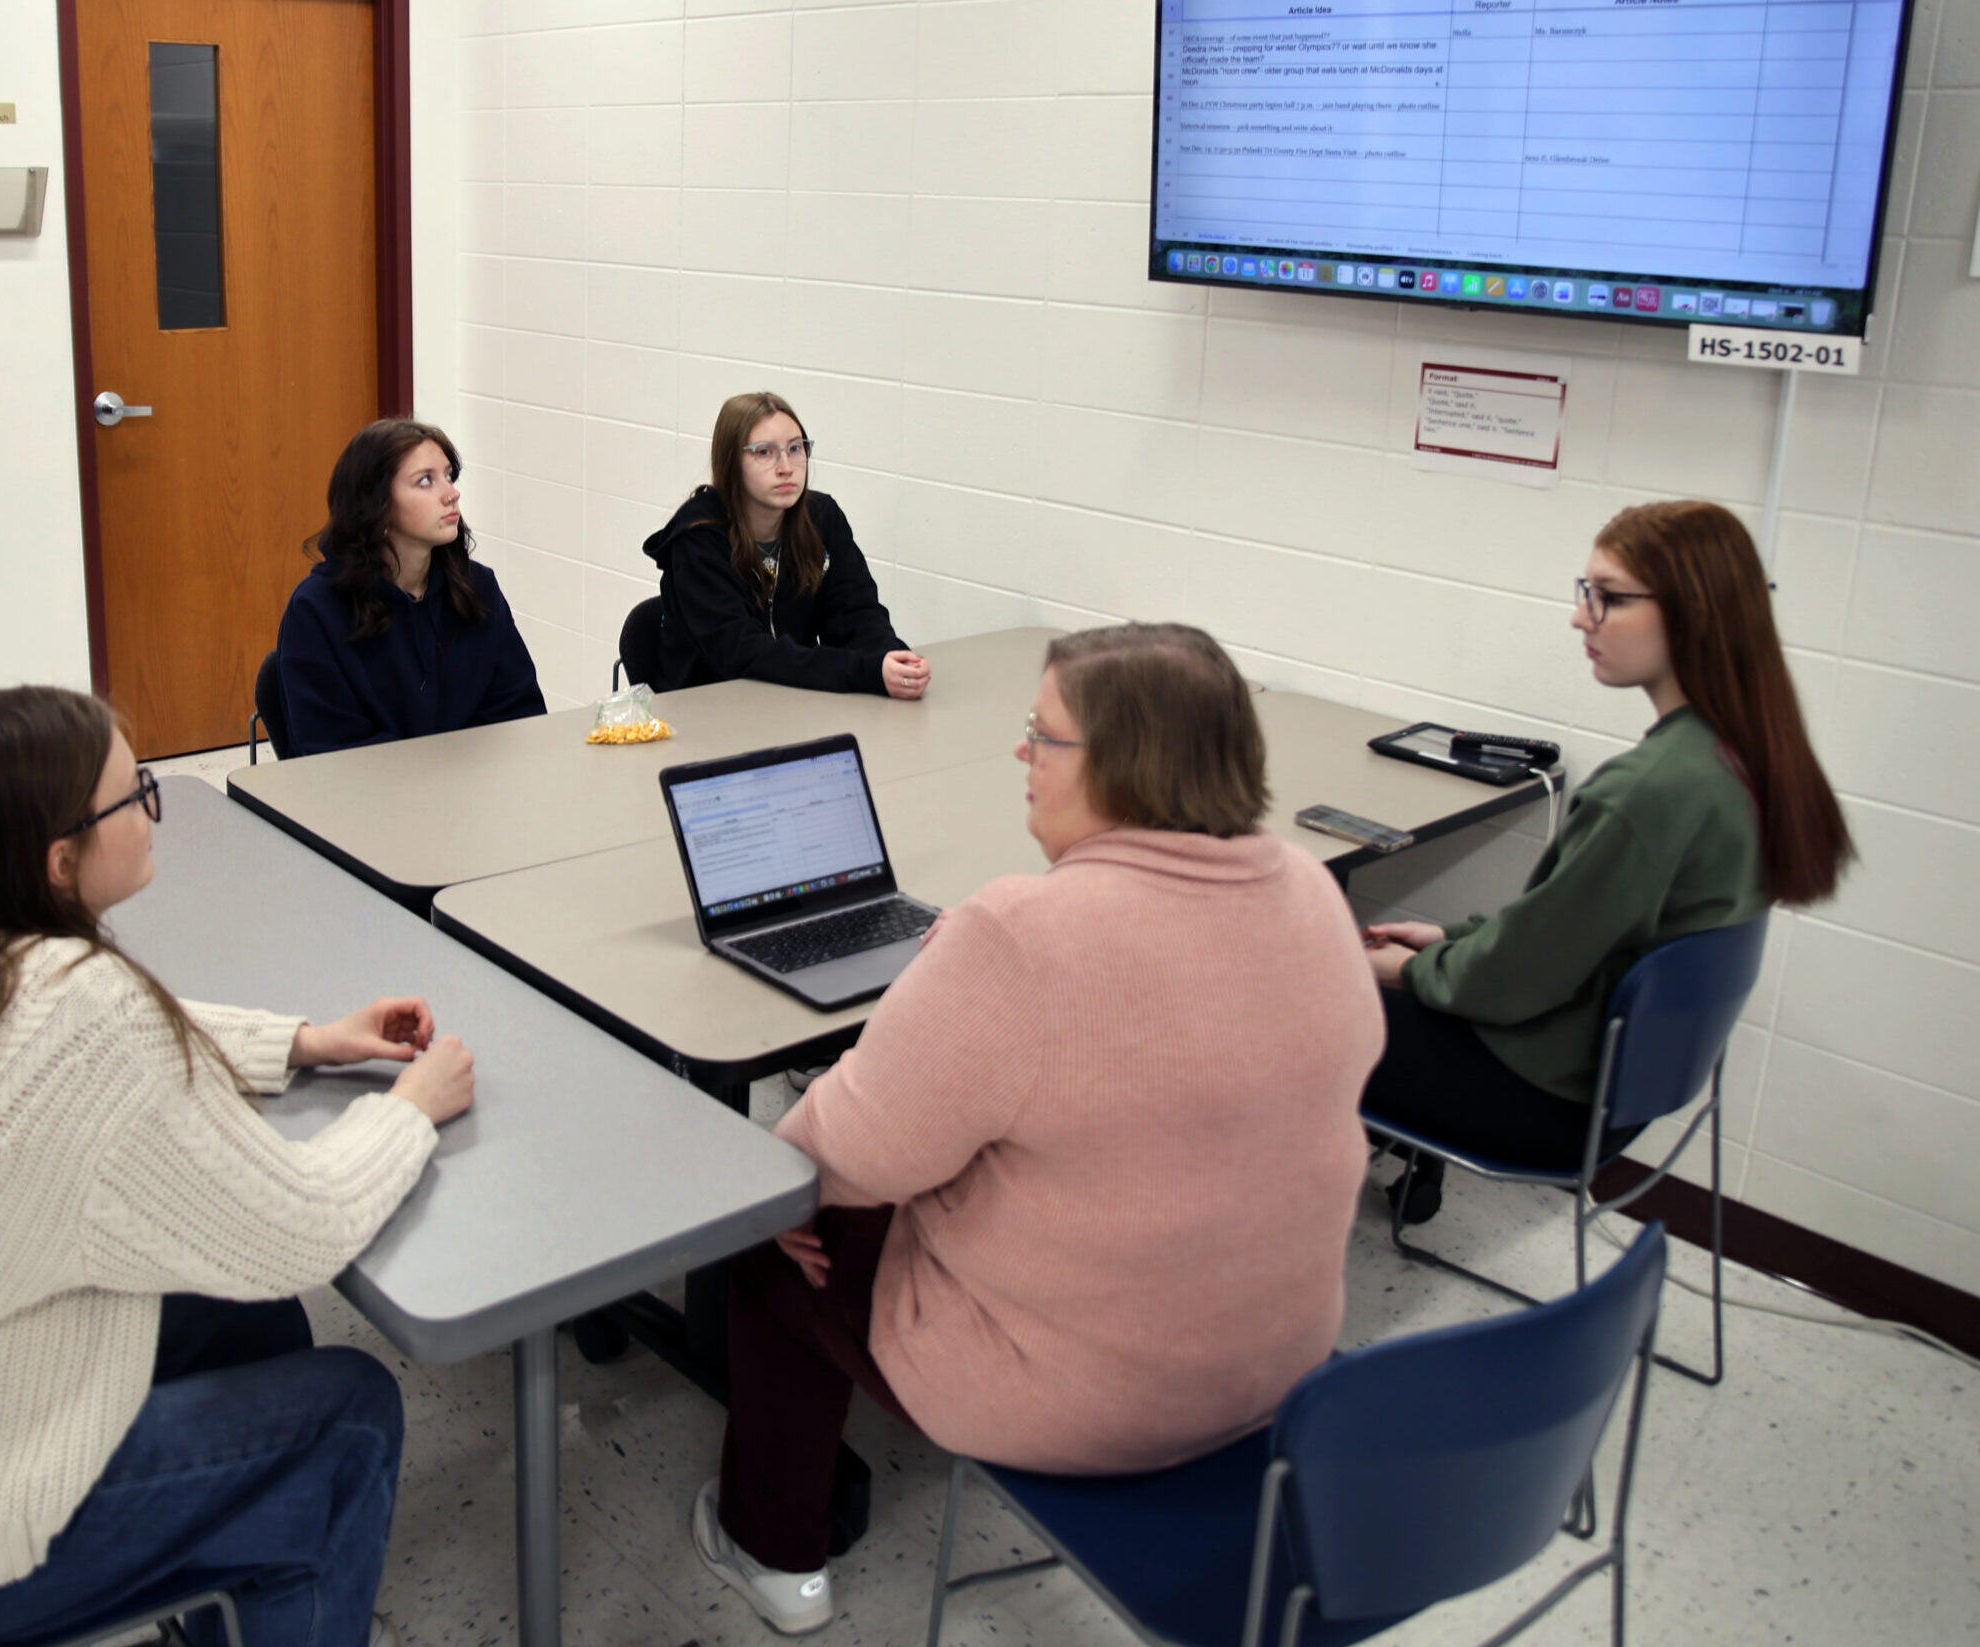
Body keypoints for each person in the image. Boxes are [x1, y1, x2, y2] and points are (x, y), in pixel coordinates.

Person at [0, 685, 474, 1647]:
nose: (152, 806)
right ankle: (277, 1561)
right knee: (351, 1415)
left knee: (242, 1320)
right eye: (132, 792)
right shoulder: (82, 1011)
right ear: (60, 863)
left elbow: (98, 1063)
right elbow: (301, 1223)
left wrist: (306, 1041)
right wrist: (409, 1111)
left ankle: (239, 1581)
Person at [691, 624, 1383, 1635]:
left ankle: (774, 1552)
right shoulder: (1313, 892)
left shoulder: (1018, 938)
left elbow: (825, 1154)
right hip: (1280, 1369)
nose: (1022, 756)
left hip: (1091, 1407)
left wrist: (949, 987)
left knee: (764, 1232)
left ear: (1122, 766)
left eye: (1042, 737)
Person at [1363, 499, 1853, 1224]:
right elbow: (1573, 928)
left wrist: (1402, 969)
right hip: (1620, 1093)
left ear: (1696, 613)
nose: (1581, 617)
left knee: (1288, 1000)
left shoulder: (1649, 790)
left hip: (1541, 1097)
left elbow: (1515, 979)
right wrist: (1451, 940)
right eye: (1586, 591)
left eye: (1611, 597)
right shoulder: (1744, 753)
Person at [277, 418, 546, 756]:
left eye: (448, 476)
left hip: (474, 794)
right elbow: (329, 750)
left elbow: (521, 715)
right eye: (424, 481)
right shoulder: (317, 610)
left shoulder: (477, 588)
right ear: (376, 503)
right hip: (366, 800)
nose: (451, 494)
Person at [642, 390, 929, 699]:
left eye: (795, 448)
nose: (786, 467)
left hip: (792, 701)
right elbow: (740, 654)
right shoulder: (698, 536)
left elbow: (856, 613)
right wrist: (865, 671)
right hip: (705, 711)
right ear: (731, 463)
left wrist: (893, 658)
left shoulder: (821, 518)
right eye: (764, 452)